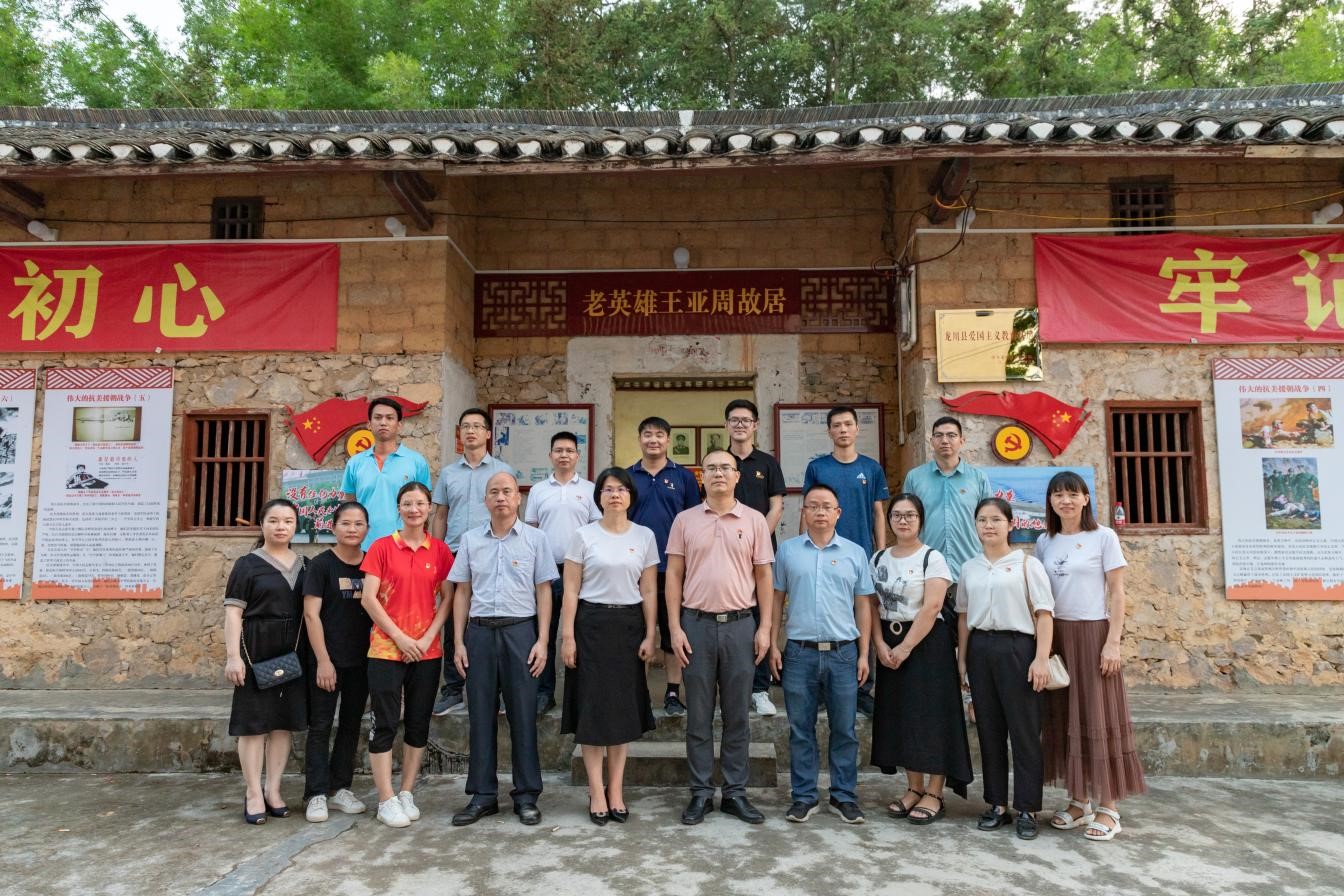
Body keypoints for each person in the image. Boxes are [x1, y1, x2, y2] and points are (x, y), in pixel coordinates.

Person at [1036, 471, 1146, 841]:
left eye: (1072, 494)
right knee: (1066, 716)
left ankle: (1109, 807)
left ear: (1086, 498)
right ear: (1050, 501)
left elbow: (1117, 593)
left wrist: (1113, 641)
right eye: (1058, 494)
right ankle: (1078, 800)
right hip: (1058, 637)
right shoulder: (1045, 541)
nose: (1065, 500)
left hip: (1093, 633)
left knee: (1098, 714)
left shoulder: (1104, 537)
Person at [666, 449, 774, 826]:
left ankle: (735, 792)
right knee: (698, 715)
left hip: (740, 625)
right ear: (702, 476)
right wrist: (675, 627)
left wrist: (765, 628)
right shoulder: (685, 520)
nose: (718, 474)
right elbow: (673, 575)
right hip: (695, 624)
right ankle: (700, 792)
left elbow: (764, 576)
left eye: (725, 468)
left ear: (737, 476)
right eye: (710, 468)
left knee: (737, 715)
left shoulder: (754, 520)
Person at [449, 471, 555, 827]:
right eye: (493, 492)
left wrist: (543, 641)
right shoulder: (470, 540)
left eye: (507, 491)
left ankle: (526, 795)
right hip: (479, 634)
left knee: (523, 715)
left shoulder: (536, 539)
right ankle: (483, 795)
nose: (501, 497)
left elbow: (544, 591)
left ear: (518, 498)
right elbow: (462, 591)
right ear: (485, 500)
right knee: (480, 716)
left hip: (520, 632)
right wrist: (459, 641)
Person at [559, 467, 659, 825]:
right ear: (598, 496)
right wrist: (567, 636)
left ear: (631, 495)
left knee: (621, 712)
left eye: (621, 489)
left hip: (629, 627)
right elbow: (571, 589)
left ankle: (615, 789)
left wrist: (650, 633)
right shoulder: (583, 535)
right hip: (591, 626)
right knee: (592, 711)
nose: (615, 495)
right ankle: (595, 790)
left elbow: (649, 589)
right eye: (608, 489)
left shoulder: (645, 536)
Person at [770, 484, 873, 824]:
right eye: (812, 505)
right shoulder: (788, 552)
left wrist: (863, 654)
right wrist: (772, 643)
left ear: (838, 513)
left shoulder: (855, 553)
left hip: (843, 653)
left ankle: (844, 796)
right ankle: (804, 796)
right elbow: (776, 600)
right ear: (803, 511)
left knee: (845, 729)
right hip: (799, 653)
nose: (819, 512)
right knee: (801, 729)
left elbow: (863, 605)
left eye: (826, 506)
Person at [869, 493, 974, 826]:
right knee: (902, 715)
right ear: (889, 520)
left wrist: (905, 648)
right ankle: (913, 787)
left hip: (927, 645)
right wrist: (879, 644)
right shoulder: (879, 557)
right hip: (889, 641)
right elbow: (871, 604)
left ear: (920, 520)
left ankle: (935, 792)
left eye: (910, 515)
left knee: (932, 716)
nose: (903, 520)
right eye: (897, 515)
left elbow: (932, 607)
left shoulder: (933, 558)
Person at [956, 497, 1055, 840]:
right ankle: (997, 804)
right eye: (982, 520)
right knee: (989, 730)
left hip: (1019, 649)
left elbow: (1044, 614)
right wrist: (962, 659)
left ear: (1010, 524)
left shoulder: (1028, 565)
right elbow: (963, 616)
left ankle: (1027, 807)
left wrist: (1041, 658)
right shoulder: (970, 568)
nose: (989, 525)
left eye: (996, 519)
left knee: (1024, 732)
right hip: (981, 648)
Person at [358, 482, 455, 828]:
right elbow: (369, 598)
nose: (414, 509)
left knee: (418, 722)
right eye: (407, 503)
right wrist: (399, 637)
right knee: (384, 722)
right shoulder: (382, 547)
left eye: (420, 503)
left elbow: (448, 598)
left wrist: (427, 637)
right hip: (386, 649)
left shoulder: (440, 551)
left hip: (427, 651)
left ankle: (406, 792)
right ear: (398, 508)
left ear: (429, 509)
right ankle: (385, 798)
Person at [224, 498, 308, 825]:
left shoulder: (306, 565)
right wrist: (234, 657)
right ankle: (252, 792)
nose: (280, 527)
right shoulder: (247, 565)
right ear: (262, 525)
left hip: (294, 652)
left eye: (288, 521)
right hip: (255, 650)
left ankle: (273, 790)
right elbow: (234, 613)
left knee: (282, 724)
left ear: (296, 526)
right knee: (254, 726)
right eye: (273, 520)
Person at [801, 405, 889, 716]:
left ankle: (862, 689)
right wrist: (803, 548)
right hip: (823, 555)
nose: (843, 430)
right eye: (837, 425)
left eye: (848, 424)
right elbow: (807, 509)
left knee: (863, 620)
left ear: (857, 429)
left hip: (861, 555)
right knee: (824, 619)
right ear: (829, 431)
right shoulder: (817, 468)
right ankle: (822, 689)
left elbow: (878, 513)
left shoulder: (871, 468)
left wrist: (880, 553)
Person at [430, 408, 519, 716]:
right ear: (460, 433)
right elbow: (440, 515)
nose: (471, 431)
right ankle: (453, 688)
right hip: (454, 552)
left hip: (492, 551)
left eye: (477, 426)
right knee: (453, 619)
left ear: (488, 433)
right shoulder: (448, 473)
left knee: (494, 618)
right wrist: (438, 552)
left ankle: (499, 691)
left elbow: (511, 511)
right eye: (465, 426)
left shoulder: (502, 470)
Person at [302, 501, 373, 822]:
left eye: (359, 524)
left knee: (351, 724)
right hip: (326, 661)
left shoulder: (372, 564)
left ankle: (340, 788)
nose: (352, 529)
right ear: (333, 527)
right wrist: (323, 661)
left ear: (367, 529)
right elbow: (311, 615)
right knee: (320, 725)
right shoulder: (321, 566)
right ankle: (316, 793)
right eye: (346, 523)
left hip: (362, 662)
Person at [627, 415, 701, 717]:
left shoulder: (684, 477)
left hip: (674, 569)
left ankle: (672, 692)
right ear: (640, 439)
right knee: (638, 633)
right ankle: (639, 695)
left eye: (659, 434)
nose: (653, 440)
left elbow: (695, 521)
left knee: (673, 632)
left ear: (668, 440)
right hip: (635, 570)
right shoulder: (627, 477)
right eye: (647, 434)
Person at [525, 431, 601, 716]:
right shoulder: (538, 490)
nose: (564, 455)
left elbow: (596, 531)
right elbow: (531, 531)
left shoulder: (591, 490)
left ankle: (577, 694)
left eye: (569, 451)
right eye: (559, 450)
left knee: (578, 633)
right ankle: (543, 693)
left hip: (581, 573)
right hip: (546, 571)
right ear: (550, 455)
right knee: (543, 632)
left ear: (578, 456)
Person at [726, 399, 787, 717]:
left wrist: (757, 539)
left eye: (745, 420)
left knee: (761, 616)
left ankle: (760, 689)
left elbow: (776, 506)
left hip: (760, 555)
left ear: (755, 425)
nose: (740, 425)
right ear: (726, 425)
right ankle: (730, 688)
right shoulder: (720, 461)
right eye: (734, 420)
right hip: (725, 555)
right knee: (728, 617)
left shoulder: (767, 463)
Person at [340, 396, 431, 549]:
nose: (383, 422)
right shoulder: (355, 463)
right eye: (378, 417)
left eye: (389, 418)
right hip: (364, 546)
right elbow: (350, 507)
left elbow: (424, 508)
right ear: (369, 424)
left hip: (405, 546)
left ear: (399, 425)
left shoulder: (416, 462)